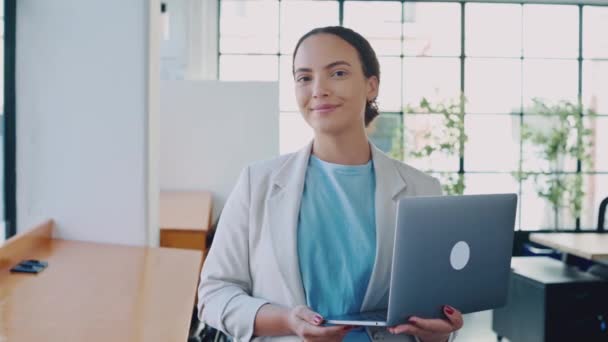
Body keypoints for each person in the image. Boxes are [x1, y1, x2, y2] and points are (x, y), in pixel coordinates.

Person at [198, 26, 463, 342]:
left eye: (337, 73)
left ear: (371, 86)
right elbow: (214, 294)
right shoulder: (258, 183)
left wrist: (438, 332)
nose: (318, 89)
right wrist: (287, 320)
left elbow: (429, 316)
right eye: (304, 77)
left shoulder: (423, 189)